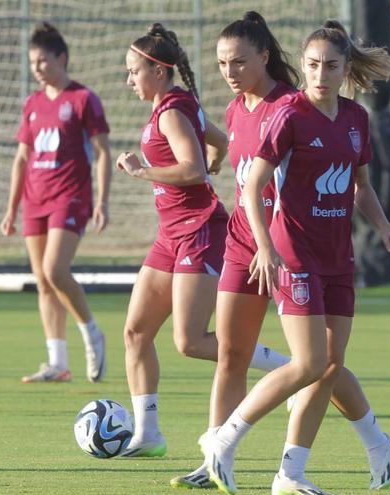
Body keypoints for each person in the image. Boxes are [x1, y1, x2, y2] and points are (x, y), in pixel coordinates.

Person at [172, 12, 390, 491]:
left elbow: (358, 185)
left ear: (265, 58)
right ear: (303, 63)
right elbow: (249, 181)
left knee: (324, 365)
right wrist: (263, 242)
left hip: (315, 252)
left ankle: (302, 466)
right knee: (247, 355)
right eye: (221, 63)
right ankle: (219, 447)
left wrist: (383, 225)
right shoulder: (255, 110)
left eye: (238, 61)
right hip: (271, 247)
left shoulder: (326, 114)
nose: (229, 71)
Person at [115, 23, 289, 458]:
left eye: (134, 71)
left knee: (190, 342)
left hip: (199, 231)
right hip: (169, 235)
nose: (129, 80)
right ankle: (148, 434)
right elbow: (221, 142)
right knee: (136, 332)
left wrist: (142, 172)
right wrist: (213, 157)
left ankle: (289, 370)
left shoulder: (172, 111)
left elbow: (192, 169)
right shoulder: (178, 105)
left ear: (158, 71)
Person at [0, 22, 111, 384]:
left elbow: (102, 153)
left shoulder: (82, 99)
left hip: (70, 197)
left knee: (55, 270)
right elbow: (21, 158)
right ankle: (57, 363)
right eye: (32, 61)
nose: (37, 68)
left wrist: (102, 201)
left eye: (43, 60)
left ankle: (92, 334)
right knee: (43, 282)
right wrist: (11, 208)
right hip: (35, 200)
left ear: (62, 58)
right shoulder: (32, 104)